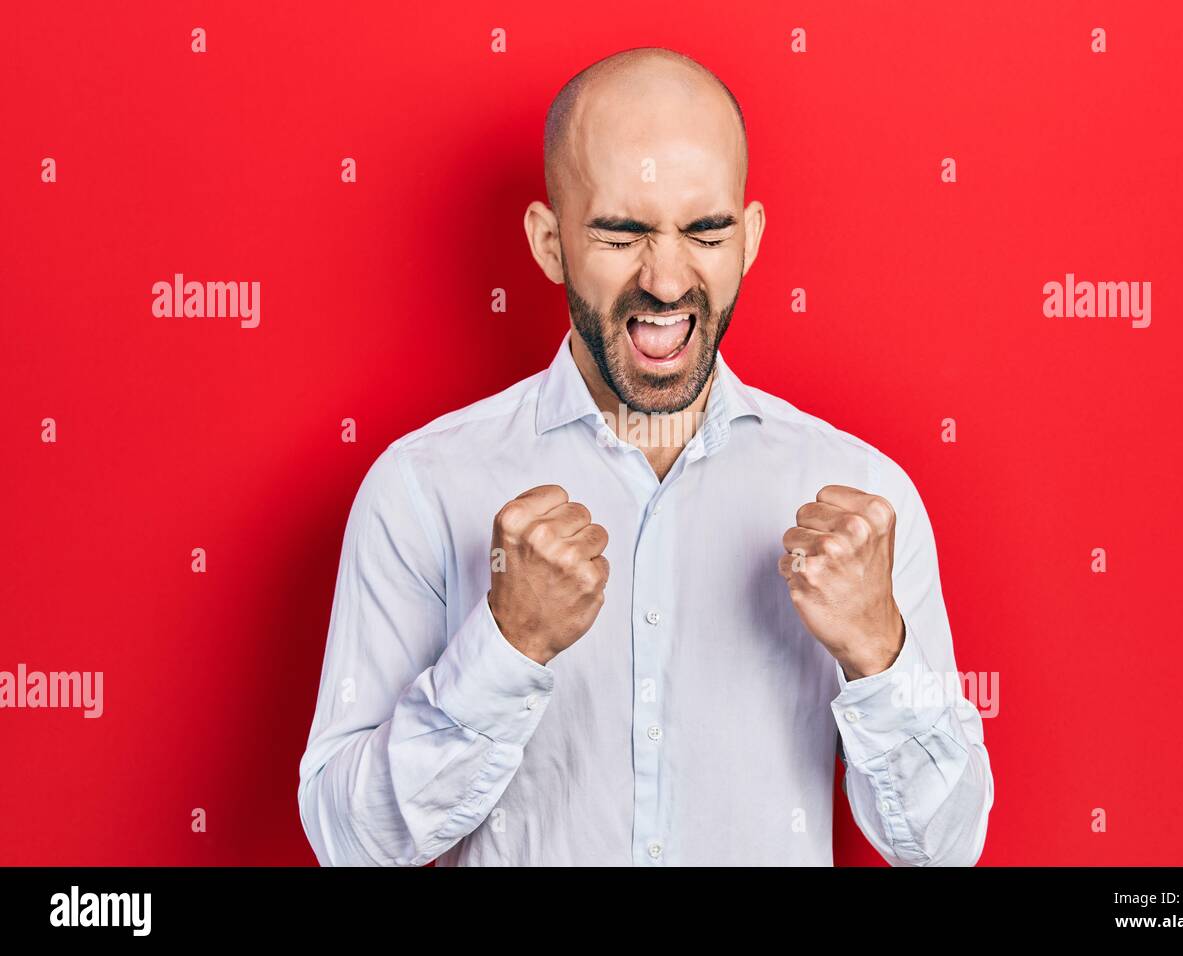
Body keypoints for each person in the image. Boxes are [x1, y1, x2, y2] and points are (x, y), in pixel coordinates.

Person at [297, 45, 994, 866]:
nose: (667, 281)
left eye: (705, 232)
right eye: (622, 233)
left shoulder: (864, 496)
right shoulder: (421, 488)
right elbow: (350, 844)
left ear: (751, 237)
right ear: (550, 243)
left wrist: (881, 653)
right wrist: (505, 648)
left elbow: (945, 849)